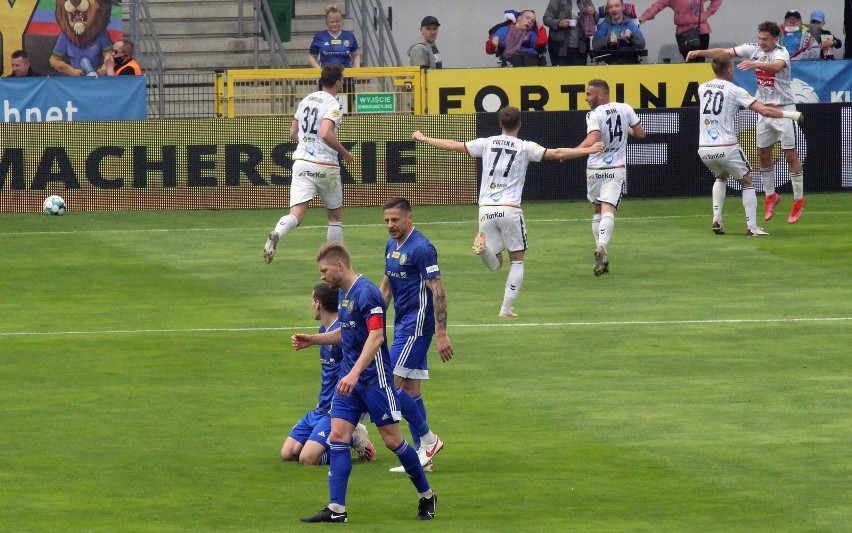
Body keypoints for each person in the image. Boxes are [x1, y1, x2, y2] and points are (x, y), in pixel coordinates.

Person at [294, 242, 437, 523]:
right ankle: (337, 509)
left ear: (340, 266)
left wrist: (355, 372)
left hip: (375, 381)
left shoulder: (367, 293)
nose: (322, 276)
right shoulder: (346, 296)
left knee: (393, 441)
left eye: (324, 270)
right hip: (351, 383)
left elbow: (376, 338)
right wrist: (314, 339)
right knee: (337, 437)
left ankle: (427, 495)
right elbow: (345, 336)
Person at [412, 106, 604, 316]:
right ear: (520, 124)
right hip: (510, 208)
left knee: (495, 264)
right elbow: (557, 153)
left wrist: (424, 138)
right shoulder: (525, 146)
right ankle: (506, 309)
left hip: (485, 209)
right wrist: (588, 150)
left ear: (500, 124)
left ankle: (483, 249)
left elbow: (452, 145)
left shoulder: (486, 143)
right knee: (517, 261)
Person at [687, 21, 807, 224]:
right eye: (759, 38)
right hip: (764, 109)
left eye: (765, 39)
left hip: (784, 107)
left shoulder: (781, 52)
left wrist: (756, 64)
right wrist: (700, 52)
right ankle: (770, 196)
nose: (761, 42)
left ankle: (798, 200)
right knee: (763, 153)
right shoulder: (753, 49)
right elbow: (724, 52)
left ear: (775, 39)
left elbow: (777, 67)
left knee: (790, 154)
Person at [379, 197, 452, 469]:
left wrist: (442, 333)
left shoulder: (422, 248)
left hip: (417, 326)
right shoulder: (391, 245)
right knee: (409, 389)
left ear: (409, 217)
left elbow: (438, 290)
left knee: (389, 388)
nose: (390, 225)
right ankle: (425, 458)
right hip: (401, 325)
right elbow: (386, 287)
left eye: (395, 219)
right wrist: (372, 320)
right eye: (386, 220)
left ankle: (428, 440)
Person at [263, 63, 354, 264]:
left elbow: (293, 133)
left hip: (302, 162)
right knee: (335, 217)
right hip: (326, 164)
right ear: (338, 82)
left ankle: (277, 232)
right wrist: (345, 153)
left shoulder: (306, 100)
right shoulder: (334, 104)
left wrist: (307, 144)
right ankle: (335, 262)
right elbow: (325, 133)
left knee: (296, 214)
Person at [281, 283, 376, 465]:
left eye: (311, 301)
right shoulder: (323, 331)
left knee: (308, 459)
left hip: (335, 409)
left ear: (318, 304)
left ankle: (353, 437)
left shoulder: (344, 332)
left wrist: (345, 402)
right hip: (321, 407)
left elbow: (355, 366)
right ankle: (344, 435)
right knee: (288, 453)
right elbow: (329, 370)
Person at [577, 79, 646, 276]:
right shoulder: (625, 109)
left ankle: (601, 250)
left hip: (594, 168)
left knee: (597, 209)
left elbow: (593, 139)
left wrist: (574, 151)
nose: (586, 98)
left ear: (600, 96)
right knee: (609, 209)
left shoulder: (594, 114)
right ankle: (602, 246)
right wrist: (627, 129)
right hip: (615, 168)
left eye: (589, 94)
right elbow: (641, 133)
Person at [638, 0, 724, 62]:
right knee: (691, 62)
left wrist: (706, 14)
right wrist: (644, 17)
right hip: (685, 34)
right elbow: (657, 6)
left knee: (700, 62)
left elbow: (717, 1)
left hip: (702, 32)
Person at [543, 0, 598, 66]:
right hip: (560, 49)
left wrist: (593, 13)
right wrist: (559, 23)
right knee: (561, 75)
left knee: (578, 75)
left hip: (581, 49)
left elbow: (596, 19)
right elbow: (546, 18)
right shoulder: (557, 1)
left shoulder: (586, 1)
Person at [592, 0, 646, 64]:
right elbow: (595, 45)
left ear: (623, 7)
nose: (613, 9)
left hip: (630, 65)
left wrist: (631, 35)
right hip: (609, 66)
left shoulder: (630, 24)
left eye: (617, 6)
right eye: (610, 7)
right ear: (607, 10)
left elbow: (642, 44)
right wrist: (608, 40)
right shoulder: (604, 25)